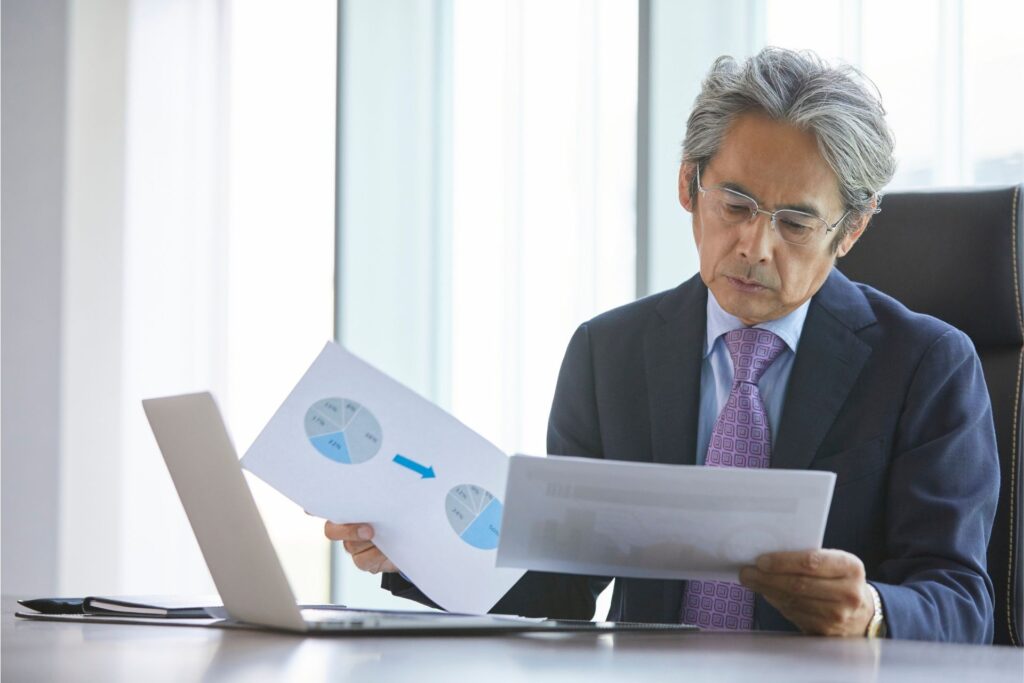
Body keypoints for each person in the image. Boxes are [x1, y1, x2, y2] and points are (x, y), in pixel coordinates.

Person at [325, 48, 999, 643]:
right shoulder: (607, 353)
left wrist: (870, 612)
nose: (755, 246)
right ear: (688, 185)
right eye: (735, 204)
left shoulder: (927, 366)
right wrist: (417, 550)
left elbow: (963, 603)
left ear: (850, 230)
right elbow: (561, 588)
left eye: (795, 223)